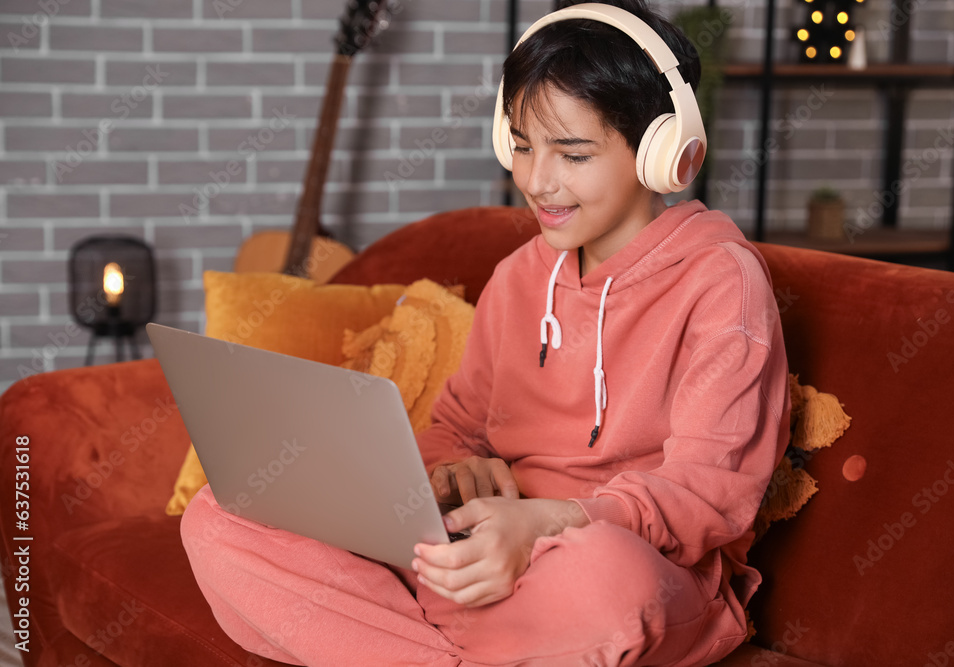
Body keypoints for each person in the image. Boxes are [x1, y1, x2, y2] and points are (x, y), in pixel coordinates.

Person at [180, 1, 792, 665]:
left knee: (612, 580)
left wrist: (544, 525)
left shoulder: (721, 282)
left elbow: (707, 496)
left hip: (622, 572)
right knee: (221, 514)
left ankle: (395, 641)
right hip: (476, 565)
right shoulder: (518, 277)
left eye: (573, 153)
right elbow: (459, 425)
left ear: (661, 153)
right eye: (523, 146)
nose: (536, 180)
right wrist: (450, 472)